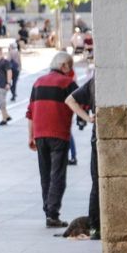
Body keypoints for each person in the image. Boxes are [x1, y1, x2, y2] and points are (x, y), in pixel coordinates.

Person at [26, 52, 78, 228]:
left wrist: (30, 136)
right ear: (64, 66)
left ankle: (48, 210)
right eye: (70, 66)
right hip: (59, 134)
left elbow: (30, 112)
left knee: (45, 174)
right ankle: (52, 213)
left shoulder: (38, 82)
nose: (71, 71)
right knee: (57, 175)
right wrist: (86, 117)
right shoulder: (67, 83)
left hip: (40, 135)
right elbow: (80, 103)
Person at [66, 75, 98, 238]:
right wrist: (88, 118)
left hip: (96, 135)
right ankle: (95, 227)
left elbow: (70, 100)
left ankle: (95, 227)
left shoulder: (94, 80)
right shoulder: (97, 80)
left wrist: (89, 118)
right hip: (98, 135)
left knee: (96, 182)